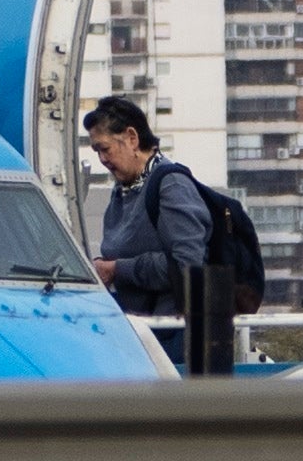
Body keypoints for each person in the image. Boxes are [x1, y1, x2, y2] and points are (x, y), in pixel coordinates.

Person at [83, 99, 258, 370]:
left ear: (131, 138)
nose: (102, 160)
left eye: (104, 149)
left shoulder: (171, 186)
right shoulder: (124, 190)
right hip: (140, 338)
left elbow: (187, 267)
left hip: (171, 342)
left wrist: (118, 270)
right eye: (96, 151)